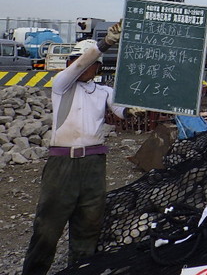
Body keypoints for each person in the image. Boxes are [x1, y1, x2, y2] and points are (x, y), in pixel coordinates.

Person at [22, 22, 146, 275]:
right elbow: (78, 66)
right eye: (81, 61)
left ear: (98, 68)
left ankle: (80, 270)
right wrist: (105, 43)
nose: (85, 66)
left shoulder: (103, 91)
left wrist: (131, 110)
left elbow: (119, 108)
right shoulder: (61, 86)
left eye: (92, 63)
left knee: (88, 225)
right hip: (62, 164)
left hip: (93, 164)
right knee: (48, 227)